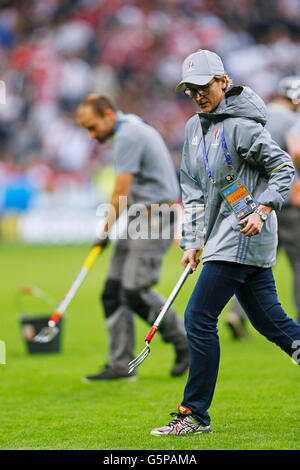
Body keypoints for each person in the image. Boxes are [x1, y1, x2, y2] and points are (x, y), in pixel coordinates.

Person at [151, 49, 300, 436]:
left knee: (198, 317)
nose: (198, 95)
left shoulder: (244, 126)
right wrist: (191, 240)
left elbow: (284, 167)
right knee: (274, 325)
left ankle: (194, 414)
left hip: (245, 235)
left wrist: (263, 209)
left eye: (204, 87)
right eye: (190, 89)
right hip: (219, 239)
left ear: (223, 81)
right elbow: (192, 187)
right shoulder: (192, 128)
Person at [76, 95, 189, 381]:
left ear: (109, 116)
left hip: (155, 218)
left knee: (135, 292)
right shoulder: (129, 127)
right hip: (139, 216)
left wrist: (103, 233)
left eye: (92, 127)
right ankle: (122, 366)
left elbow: (120, 192)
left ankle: (185, 342)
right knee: (113, 292)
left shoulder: (127, 135)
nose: (91, 135)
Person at [226, 76, 300, 339]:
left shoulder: (262, 116)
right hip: (287, 201)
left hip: (256, 200)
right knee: (298, 263)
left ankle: (237, 312)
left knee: (254, 263)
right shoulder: (293, 120)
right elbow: (297, 151)